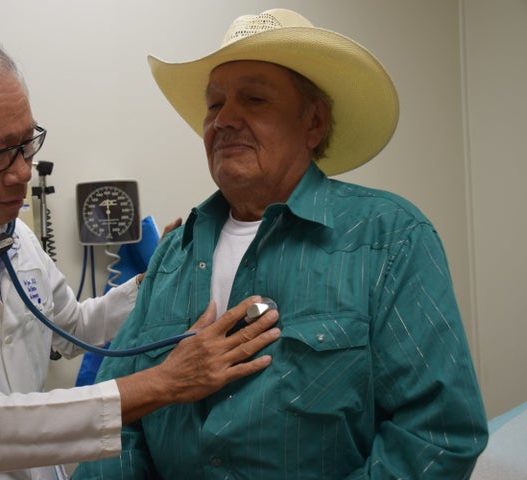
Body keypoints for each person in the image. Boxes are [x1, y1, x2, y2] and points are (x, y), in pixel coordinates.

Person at [0, 32, 282, 480]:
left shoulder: (12, 238)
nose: (22, 172)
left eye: (27, 143)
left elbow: (73, 328)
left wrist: (156, 277)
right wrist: (165, 382)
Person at [73, 8, 489, 479]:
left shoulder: (388, 239)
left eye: (254, 99)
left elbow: (438, 434)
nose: (224, 119)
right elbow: (114, 419)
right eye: (214, 104)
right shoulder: (173, 254)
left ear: (313, 123)